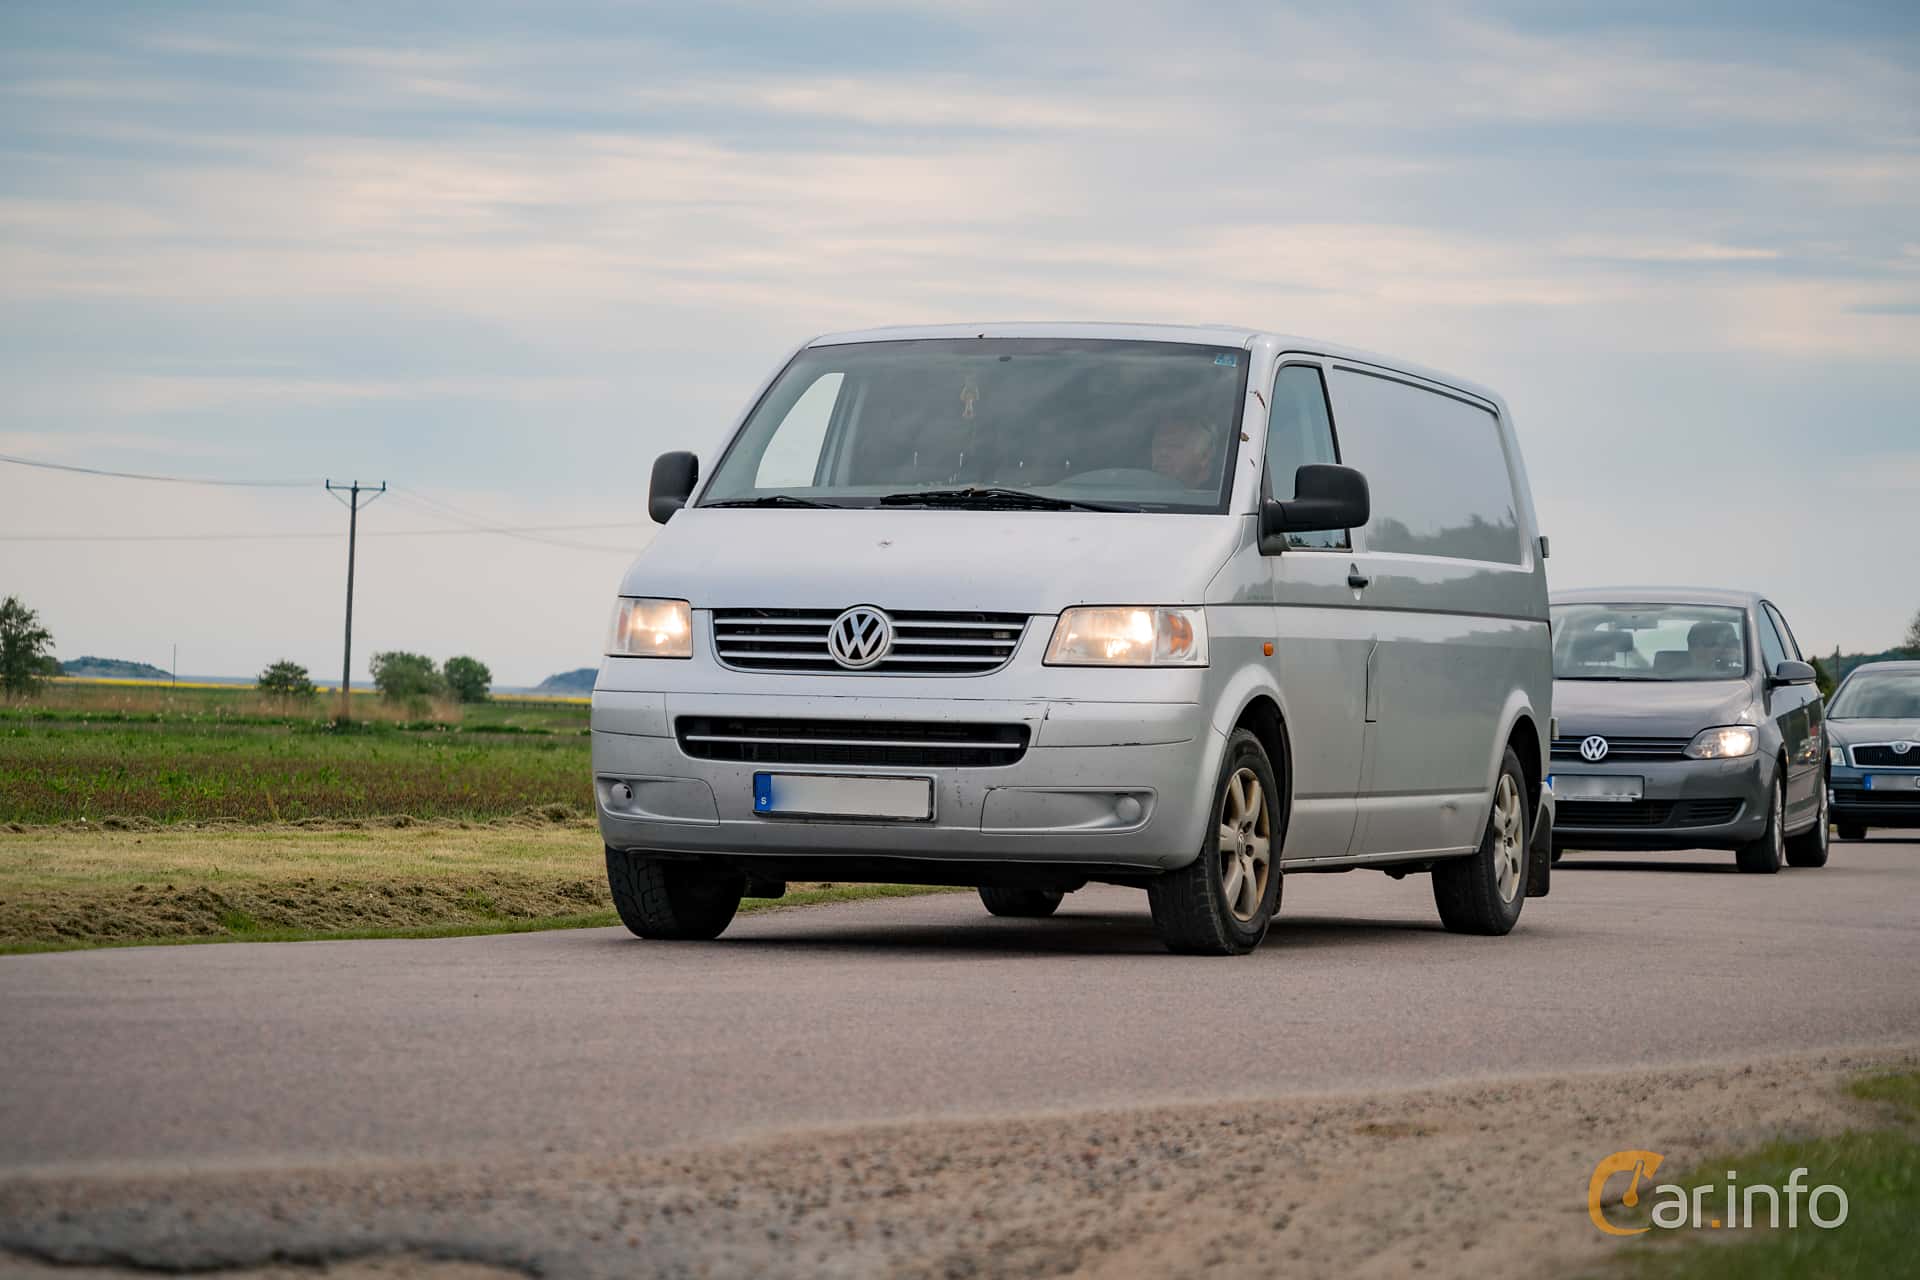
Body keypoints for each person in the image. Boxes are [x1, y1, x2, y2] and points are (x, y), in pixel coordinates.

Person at [1151, 420, 1219, 489]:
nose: (1162, 452)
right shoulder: (1144, 492)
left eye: (1174, 446)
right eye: (1157, 445)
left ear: (1205, 456)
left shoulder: (1220, 495)